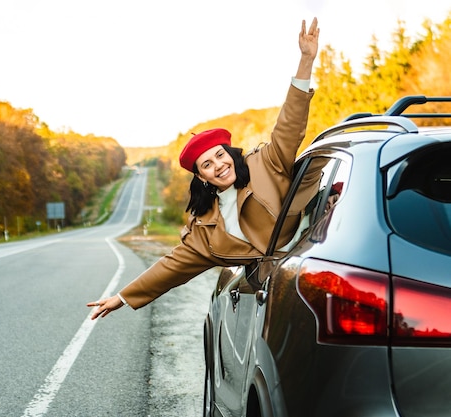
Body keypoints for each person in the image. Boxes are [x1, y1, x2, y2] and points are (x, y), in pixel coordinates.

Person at [88, 17, 320, 319]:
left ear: (229, 153)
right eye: (207, 165)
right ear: (201, 176)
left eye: (220, 156)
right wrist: (122, 297)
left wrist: (305, 61)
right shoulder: (206, 228)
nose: (219, 166)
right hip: (267, 301)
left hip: (310, 277)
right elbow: (171, 267)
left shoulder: (266, 163)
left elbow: (289, 125)